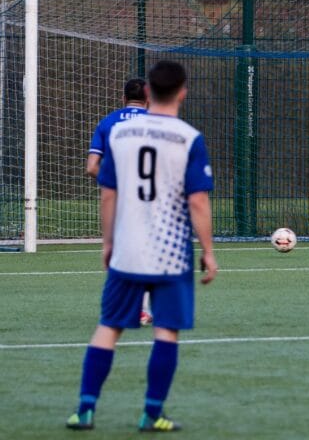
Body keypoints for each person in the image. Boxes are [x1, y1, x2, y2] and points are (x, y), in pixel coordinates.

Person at [66, 60, 219, 432]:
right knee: (165, 330)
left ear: (148, 91)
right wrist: (209, 251)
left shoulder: (121, 134)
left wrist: (107, 242)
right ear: (183, 91)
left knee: (108, 328)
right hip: (170, 254)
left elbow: (107, 193)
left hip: (128, 249)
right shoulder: (188, 137)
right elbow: (198, 201)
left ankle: (85, 409)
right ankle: (152, 413)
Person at [86, 78, 154, 326]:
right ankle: (140, 308)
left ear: (123, 99)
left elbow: (92, 167)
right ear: (148, 100)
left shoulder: (107, 122)